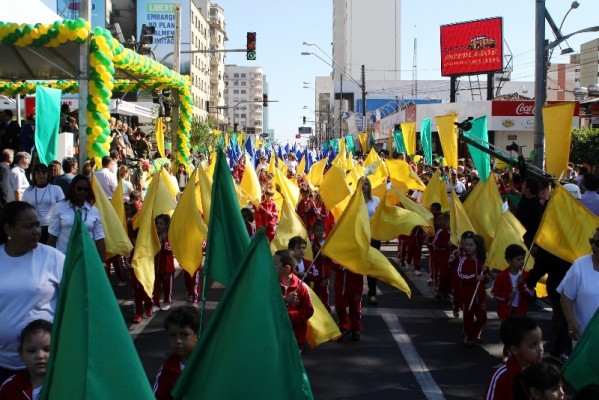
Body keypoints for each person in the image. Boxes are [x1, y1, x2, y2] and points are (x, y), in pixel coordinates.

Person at [0, 202, 64, 384]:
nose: (37, 231)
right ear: (8, 229)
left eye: (37, 224)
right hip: (4, 365)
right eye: (29, 226)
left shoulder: (53, 258)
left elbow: (76, 298)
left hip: (48, 365)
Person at [47, 175, 106, 262]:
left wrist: (102, 263)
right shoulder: (59, 207)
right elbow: (52, 237)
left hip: (87, 259)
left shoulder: (93, 210)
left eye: (86, 190)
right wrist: (49, 261)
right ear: (72, 189)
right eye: (79, 188)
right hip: (64, 259)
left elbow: (99, 238)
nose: (82, 192)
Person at [483, 315, 544, 400]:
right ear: (514, 349)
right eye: (533, 345)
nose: (540, 348)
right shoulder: (501, 377)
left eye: (540, 341)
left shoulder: (541, 370)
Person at [558, 227, 599, 342]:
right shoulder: (580, 265)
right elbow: (566, 296)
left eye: (598, 243)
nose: (593, 246)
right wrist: (570, 320)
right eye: (592, 241)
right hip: (584, 340)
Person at [153, 306, 200, 400]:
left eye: (185, 334)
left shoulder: (210, 363)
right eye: (172, 335)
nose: (178, 341)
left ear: (197, 335)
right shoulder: (167, 370)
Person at [0, 320, 52, 399]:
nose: (40, 356)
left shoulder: (66, 384)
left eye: (47, 349)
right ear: (21, 354)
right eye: (31, 350)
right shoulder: (10, 387)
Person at [274, 249, 314, 349]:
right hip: (274, 339)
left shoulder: (302, 288)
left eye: (274, 263)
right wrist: (284, 300)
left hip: (295, 341)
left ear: (287, 268)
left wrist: (289, 316)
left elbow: (309, 311)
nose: (270, 266)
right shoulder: (271, 286)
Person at [457, 233, 490, 346]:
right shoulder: (464, 259)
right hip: (468, 295)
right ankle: (468, 334)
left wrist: (485, 273)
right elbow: (460, 274)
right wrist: (474, 277)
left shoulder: (484, 261)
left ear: (478, 246)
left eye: (471, 245)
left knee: (482, 318)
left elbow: (488, 278)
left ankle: (475, 332)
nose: (467, 247)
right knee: (468, 318)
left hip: (480, 296)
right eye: (466, 244)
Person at [22, 164, 65, 244]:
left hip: (53, 228)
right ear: (34, 175)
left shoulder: (56, 189)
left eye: (43, 172)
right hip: (34, 228)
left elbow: (63, 209)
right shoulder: (28, 191)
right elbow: (23, 210)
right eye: (38, 172)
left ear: (48, 174)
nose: (41, 174)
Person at [492, 244, 535, 321]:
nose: (522, 262)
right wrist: (506, 296)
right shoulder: (501, 276)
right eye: (518, 259)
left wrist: (522, 284)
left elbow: (531, 294)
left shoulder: (526, 275)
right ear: (509, 260)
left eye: (523, 259)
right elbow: (495, 293)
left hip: (520, 313)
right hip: (505, 314)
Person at [362, 177, 381, 305]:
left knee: (372, 265)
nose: (364, 186)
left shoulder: (376, 201)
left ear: (370, 186)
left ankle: (372, 293)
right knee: (358, 264)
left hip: (373, 237)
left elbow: (380, 218)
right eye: (362, 183)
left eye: (366, 183)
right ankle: (356, 292)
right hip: (359, 237)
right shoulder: (354, 201)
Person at [153, 214, 175, 312]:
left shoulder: (170, 235)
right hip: (156, 266)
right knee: (156, 286)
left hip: (167, 266)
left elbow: (170, 249)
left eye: (161, 223)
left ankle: (167, 301)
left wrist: (164, 242)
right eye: (157, 223)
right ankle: (156, 303)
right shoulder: (155, 235)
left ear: (167, 225)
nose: (158, 225)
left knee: (167, 286)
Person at [310, 219, 333, 311]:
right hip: (316, 272)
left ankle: (326, 310)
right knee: (316, 292)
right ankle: (315, 310)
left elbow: (331, 257)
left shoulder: (327, 243)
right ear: (314, 232)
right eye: (317, 231)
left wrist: (327, 255)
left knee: (325, 294)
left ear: (324, 231)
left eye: (321, 230)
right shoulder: (312, 243)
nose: (319, 233)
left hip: (325, 273)